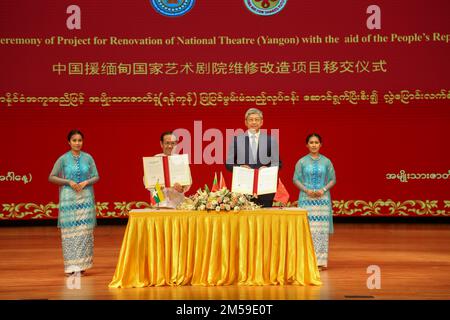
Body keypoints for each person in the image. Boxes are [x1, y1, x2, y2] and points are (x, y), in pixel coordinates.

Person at [48, 129, 99, 276]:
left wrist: (86, 182)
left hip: (85, 199)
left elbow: (96, 176)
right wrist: (68, 182)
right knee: (70, 233)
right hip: (68, 200)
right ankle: (71, 267)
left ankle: (82, 265)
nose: (77, 143)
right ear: (69, 142)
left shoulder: (88, 158)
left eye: (80, 140)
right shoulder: (63, 159)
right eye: (74, 140)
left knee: (84, 232)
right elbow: (51, 177)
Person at [293, 133, 336, 270]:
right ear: (307, 145)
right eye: (311, 142)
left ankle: (320, 262)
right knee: (308, 231)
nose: (314, 145)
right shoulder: (302, 162)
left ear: (320, 145)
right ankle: (307, 261)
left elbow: (332, 179)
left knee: (321, 232)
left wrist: (323, 189)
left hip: (322, 202)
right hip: (307, 200)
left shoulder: (327, 161)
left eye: (316, 142)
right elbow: (295, 179)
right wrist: (306, 190)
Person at [226, 108, 281, 207]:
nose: (254, 122)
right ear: (246, 122)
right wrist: (240, 167)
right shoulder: (236, 140)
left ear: (261, 122)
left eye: (257, 119)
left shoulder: (270, 140)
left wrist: (267, 169)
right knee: (243, 220)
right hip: (243, 188)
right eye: (251, 119)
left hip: (265, 188)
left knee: (265, 220)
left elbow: (278, 163)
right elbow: (228, 164)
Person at [145, 131, 191, 208]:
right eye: (167, 143)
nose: (170, 146)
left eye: (172, 143)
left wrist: (182, 189)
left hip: (177, 204)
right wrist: (156, 187)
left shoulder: (181, 160)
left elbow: (188, 181)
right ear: (161, 144)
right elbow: (147, 181)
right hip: (159, 203)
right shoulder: (154, 159)